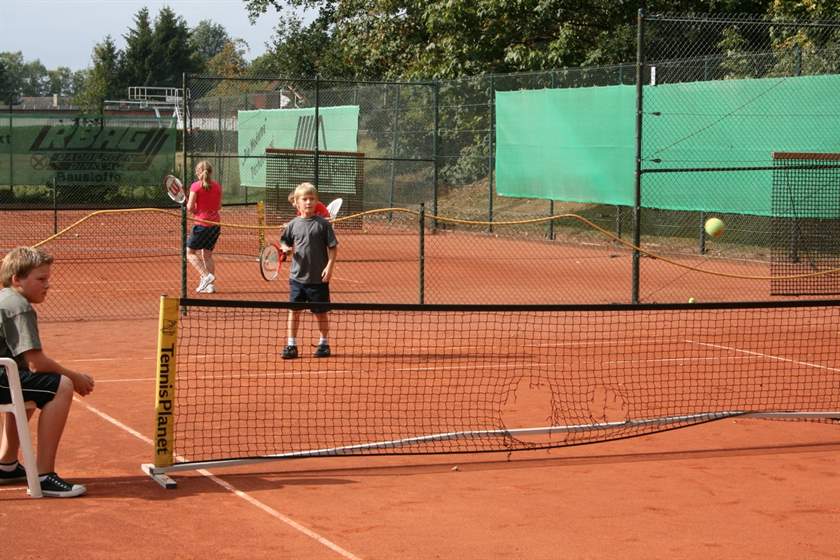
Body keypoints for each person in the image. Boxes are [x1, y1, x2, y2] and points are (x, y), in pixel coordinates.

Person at [0, 247, 95, 498]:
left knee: (29, 386)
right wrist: (75, 377)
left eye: (47, 278)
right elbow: (36, 363)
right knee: (60, 386)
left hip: (4, 375)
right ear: (17, 279)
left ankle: (7, 465)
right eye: (41, 279)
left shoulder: (5, 298)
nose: (47, 285)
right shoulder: (19, 306)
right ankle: (43, 476)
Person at [280, 183, 338, 359]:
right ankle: (291, 345)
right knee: (294, 312)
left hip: (318, 279)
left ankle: (324, 343)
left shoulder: (323, 225)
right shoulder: (292, 224)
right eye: (304, 199)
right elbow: (284, 241)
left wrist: (329, 267)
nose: (308, 202)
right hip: (297, 278)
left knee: (321, 314)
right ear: (297, 203)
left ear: (316, 201)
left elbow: (333, 247)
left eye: (312, 199)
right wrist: (285, 248)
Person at [186, 160, 222, 294]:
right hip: (215, 226)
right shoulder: (217, 186)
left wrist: (196, 211)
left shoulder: (195, 186)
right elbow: (219, 206)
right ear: (210, 172)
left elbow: (190, 207)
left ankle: (206, 276)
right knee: (207, 255)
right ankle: (210, 286)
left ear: (198, 172)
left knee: (190, 253)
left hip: (202, 225)